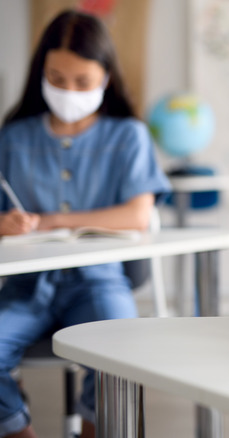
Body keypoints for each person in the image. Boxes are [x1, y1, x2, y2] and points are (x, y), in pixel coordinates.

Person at [0, 10, 170, 438]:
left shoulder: (128, 136)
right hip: (25, 287)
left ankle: (96, 428)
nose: (68, 91)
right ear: (41, 72)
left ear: (106, 79)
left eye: (82, 82)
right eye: (57, 79)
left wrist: (50, 220)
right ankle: (17, 428)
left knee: (123, 350)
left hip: (99, 282)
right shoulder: (14, 138)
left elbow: (136, 214)